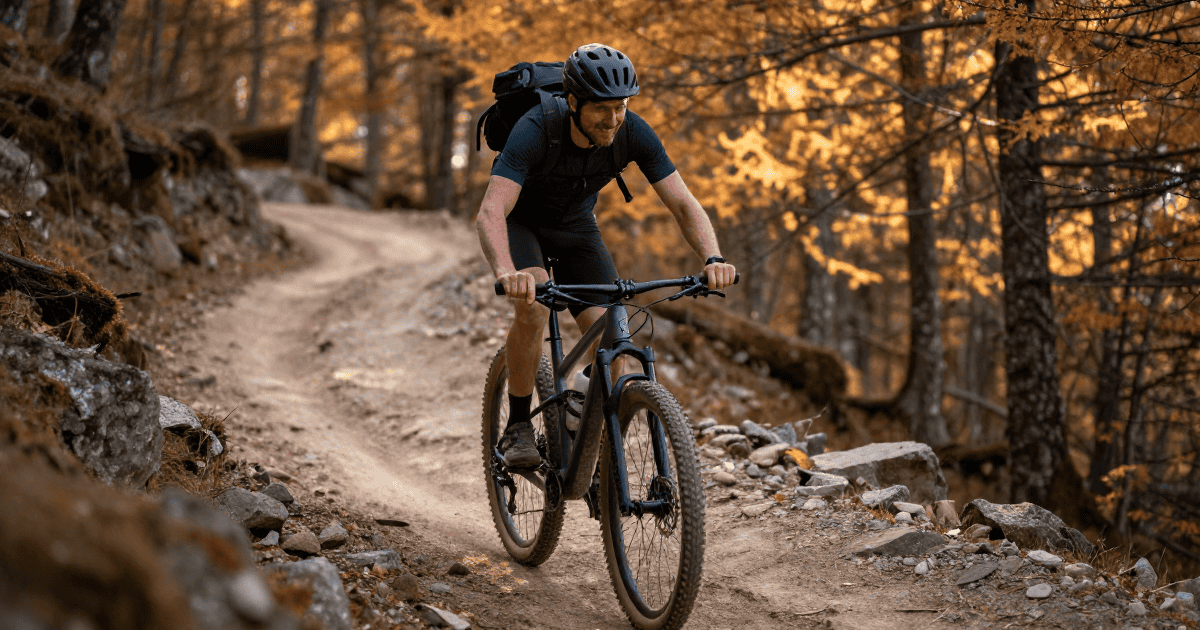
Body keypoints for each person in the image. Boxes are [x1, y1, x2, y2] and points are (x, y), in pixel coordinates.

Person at [475, 43, 738, 467]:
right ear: (573, 102)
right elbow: (491, 210)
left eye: (620, 107)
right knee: (533, 307)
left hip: (577, 229)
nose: (613, 119)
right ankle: (519, 425)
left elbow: (683, 203)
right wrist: (507, 270)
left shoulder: (632, 131)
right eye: (601, 108)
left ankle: (584, 436)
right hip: (522, 224)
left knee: (615, 345)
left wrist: (713, 259)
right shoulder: (536, 127)